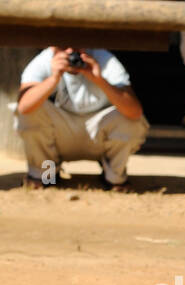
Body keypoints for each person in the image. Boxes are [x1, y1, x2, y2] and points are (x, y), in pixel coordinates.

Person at [14, 46, 148, 190]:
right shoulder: (46, 59)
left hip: (98, 133)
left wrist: (99, 79)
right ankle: (47, 176)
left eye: (77, 46)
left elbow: (134, 112)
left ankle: (114, 178)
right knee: (33, 112)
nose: (71, 53)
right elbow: (24, 107)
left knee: (127, 117)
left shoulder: (103, 58)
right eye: (64, 46)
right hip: (59, 135)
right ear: (53, 47)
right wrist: (54, 78)